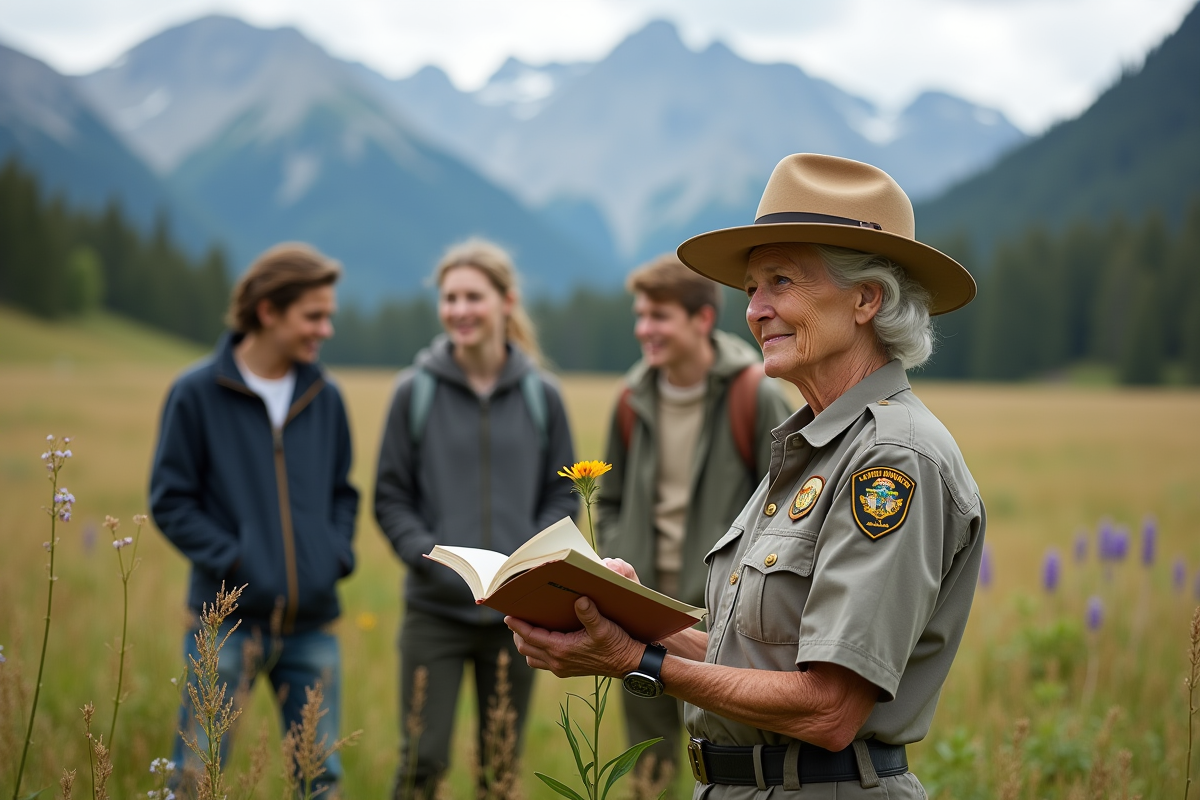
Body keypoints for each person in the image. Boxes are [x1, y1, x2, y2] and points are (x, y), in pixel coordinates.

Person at [507, 153, 986, 798]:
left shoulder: (891, 461)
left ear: (867, 298)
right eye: (752, 288)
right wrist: (624, 619)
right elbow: (755, 663)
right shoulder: (813, 447)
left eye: (781, 281)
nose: (755, 310)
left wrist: (636, 662)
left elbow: (828, 708)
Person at [150, 242, 359, 792]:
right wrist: (237, 560)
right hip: (224, 627)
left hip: (312, 628)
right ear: (268, 311)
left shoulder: (326, 395)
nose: (326, 329)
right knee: (195, 775)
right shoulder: (196, 394)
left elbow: (343, 492)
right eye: (314, 316)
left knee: (321, 780)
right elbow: (170, 500)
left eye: (328, 315)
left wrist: (334, 554)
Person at [375, 239, 578, 798]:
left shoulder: (544, 396)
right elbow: (391, 496)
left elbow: (563, 497)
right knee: (421, 762)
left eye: (473, 296)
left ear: (506, 302)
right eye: (449, 298)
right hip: (433, 613)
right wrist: (433, 558)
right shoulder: (412, 392)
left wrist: (524, 565)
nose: (459, 309)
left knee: (500, 771)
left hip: (517, 617)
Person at [596, 254, 792, 783]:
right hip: (637, 613)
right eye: (640, 316)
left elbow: (789, 505)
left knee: (730, 765)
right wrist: (620, 559)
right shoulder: (630, 399)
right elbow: (607, 498)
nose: (644, 329)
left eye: (658, 316)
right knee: (648, 769)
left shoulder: (755, 394)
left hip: (721, 620)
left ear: (701, 320)